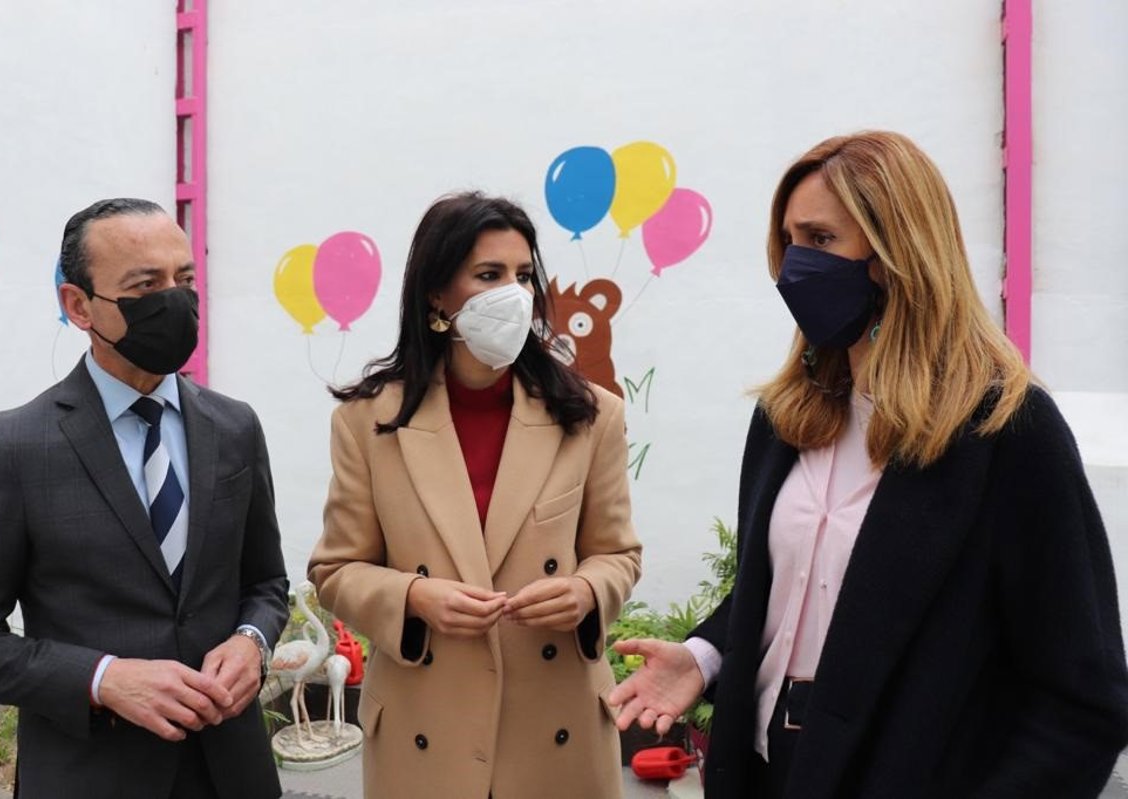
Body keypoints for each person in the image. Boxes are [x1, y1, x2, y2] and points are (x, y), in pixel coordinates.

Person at [608, 131, 1128, 798]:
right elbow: (795, 586)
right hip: (765, 769)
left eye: (821, 239)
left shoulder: (1005, 430)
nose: (796, 266)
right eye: (789, 241)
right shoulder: (786, 417)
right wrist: (705, 657)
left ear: (897, 253)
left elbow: (1083, 699)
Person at [0, 199, 289, 799]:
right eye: (146, 286)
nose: (173, 300)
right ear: (78, 305)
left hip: (233, 771)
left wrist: (252, 641)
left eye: (184, 280)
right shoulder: (14, 447)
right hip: (91, 774)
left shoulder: (234, 427)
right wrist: (102, 679)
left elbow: (266, 583)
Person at [308, 192, 641, 798]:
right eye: (489, 275)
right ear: (437, 294)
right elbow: (336, 570)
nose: (513, 294)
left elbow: (617, 553)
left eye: (523, 275)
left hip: (556, 727)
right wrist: (413, 597)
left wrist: (586, 591)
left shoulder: (591, 415)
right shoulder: (367, 421)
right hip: (426, 726)